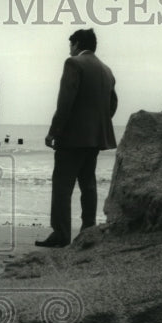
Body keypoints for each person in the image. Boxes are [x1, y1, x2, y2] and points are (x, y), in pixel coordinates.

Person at [36, 27, 118, 248]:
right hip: (94, 139)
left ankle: (61, 234)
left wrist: (53, 131)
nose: (69, 49)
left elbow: (65, 102)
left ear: (77, 44)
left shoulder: (73, 64)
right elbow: (112, 104)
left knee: (62, 187)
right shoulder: (106, 70)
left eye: (70, 45)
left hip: (72, 139)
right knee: (88, 185)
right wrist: (97, 125)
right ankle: (88, 231)